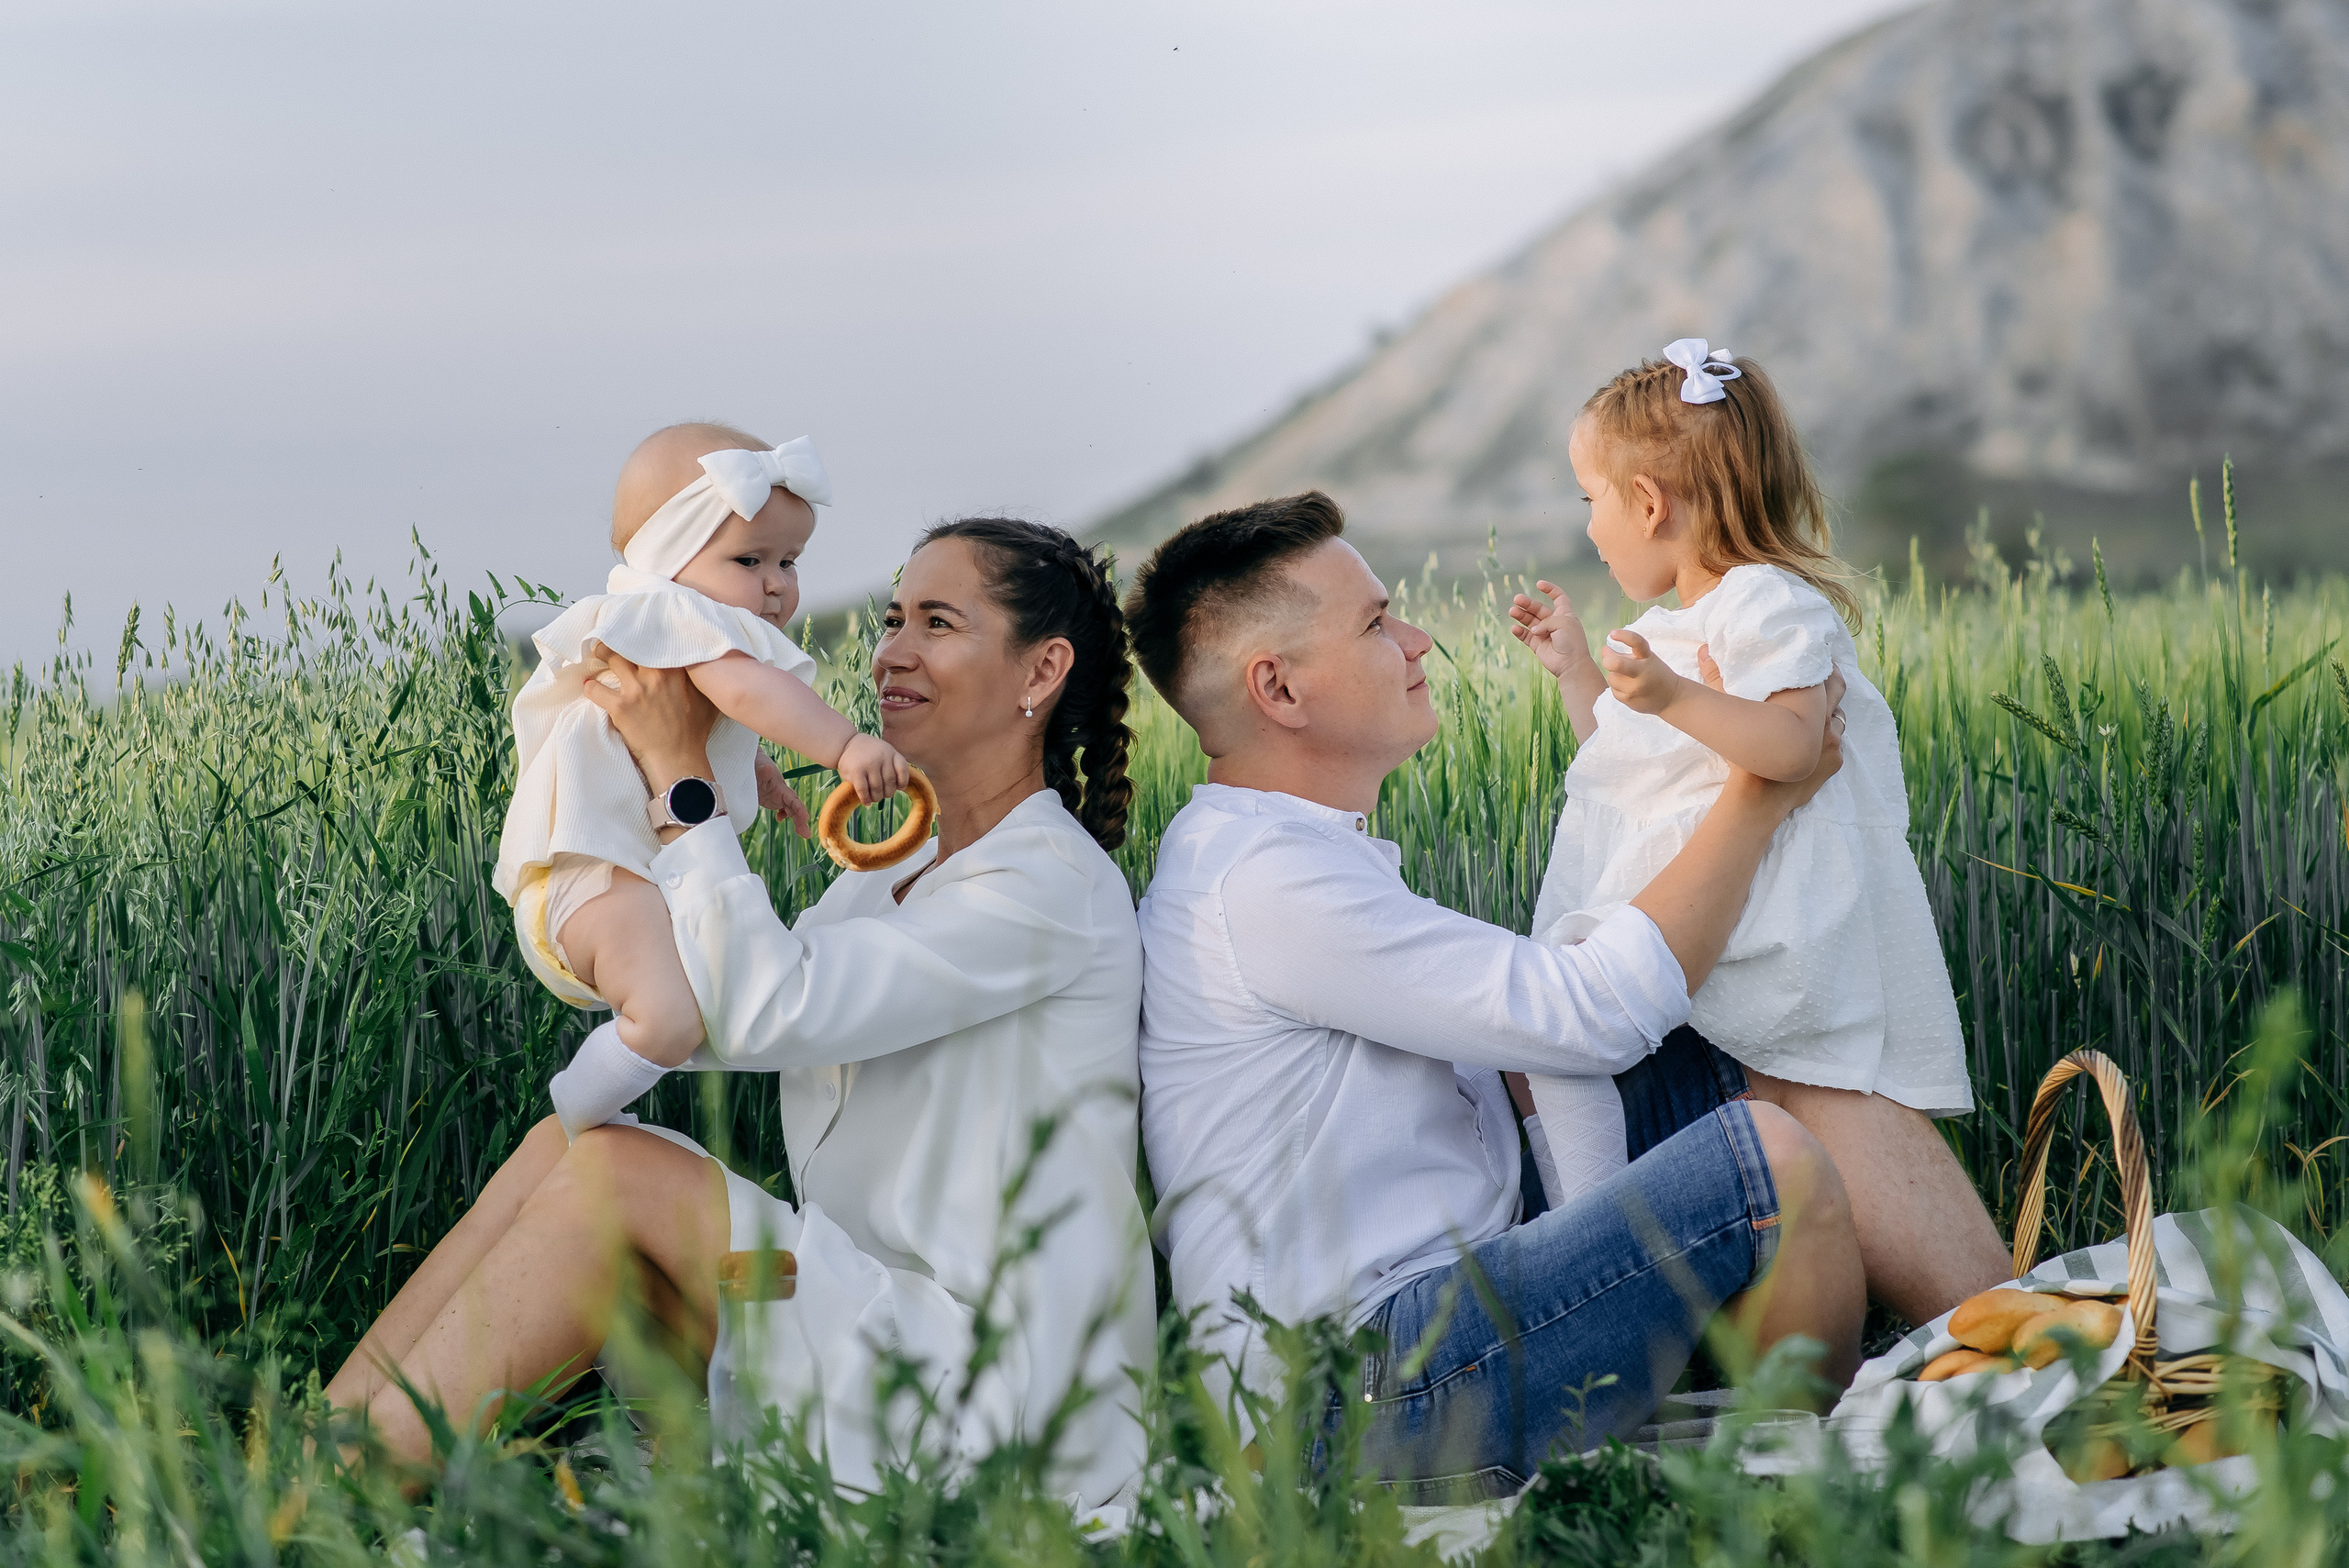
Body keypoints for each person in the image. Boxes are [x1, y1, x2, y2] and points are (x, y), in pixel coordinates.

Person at [326, 517, 1154, 1510]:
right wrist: (625, 788)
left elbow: (769, 1009)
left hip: (997, 1394)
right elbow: (708, 1008)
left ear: (1042, 669)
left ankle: (320, 1505)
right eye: (892, 617)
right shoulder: (884, 879)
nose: (891, 649)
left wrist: (683, 783)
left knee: (619, 1171)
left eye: (938, 622)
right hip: (864, 1321)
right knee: (572, 1140)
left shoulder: (1044, 886)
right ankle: (308, 1455)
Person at [1125, 490, 1866, 1497]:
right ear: (1280, 690)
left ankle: (1986, 1317)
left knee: (1749, 1051)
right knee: (1768, 1160)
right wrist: (1758, 785)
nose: (1417, 639)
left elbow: (1533, 1043)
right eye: (1377, 623)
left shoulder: (1279, 850)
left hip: (1422, 1327)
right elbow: (1590, 1012)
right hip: (1354, 1393)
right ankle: (1796, 1488)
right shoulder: (1262, 880)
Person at [1508, 341, 2011, 1324]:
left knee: (1605, 1062)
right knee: (1553, 1059)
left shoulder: (1768, 605)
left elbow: (1791, 743)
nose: (1590, 525)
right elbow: (1636, 777)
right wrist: (1579, 672)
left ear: (1649, 503)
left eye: (1589, 499)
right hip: (1697, 924)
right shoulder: (1673, 628)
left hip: (1764, 933)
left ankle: (1585, 1217)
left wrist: (1674, 690)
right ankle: (1586, 1216)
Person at [495, 423, 910, 1142]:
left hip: (615, 876)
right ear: (668, 558)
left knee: (690, 1009)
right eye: (749, 558)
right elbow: (748, 693)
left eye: (789, 559)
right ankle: (572, 1120)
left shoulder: (666, 629)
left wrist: (758, 769)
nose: (777, 582)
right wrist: (843, 745)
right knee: (669, 1020)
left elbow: (712, 719)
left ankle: (591, 1127)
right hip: (593, 875)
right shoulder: (671, 612)